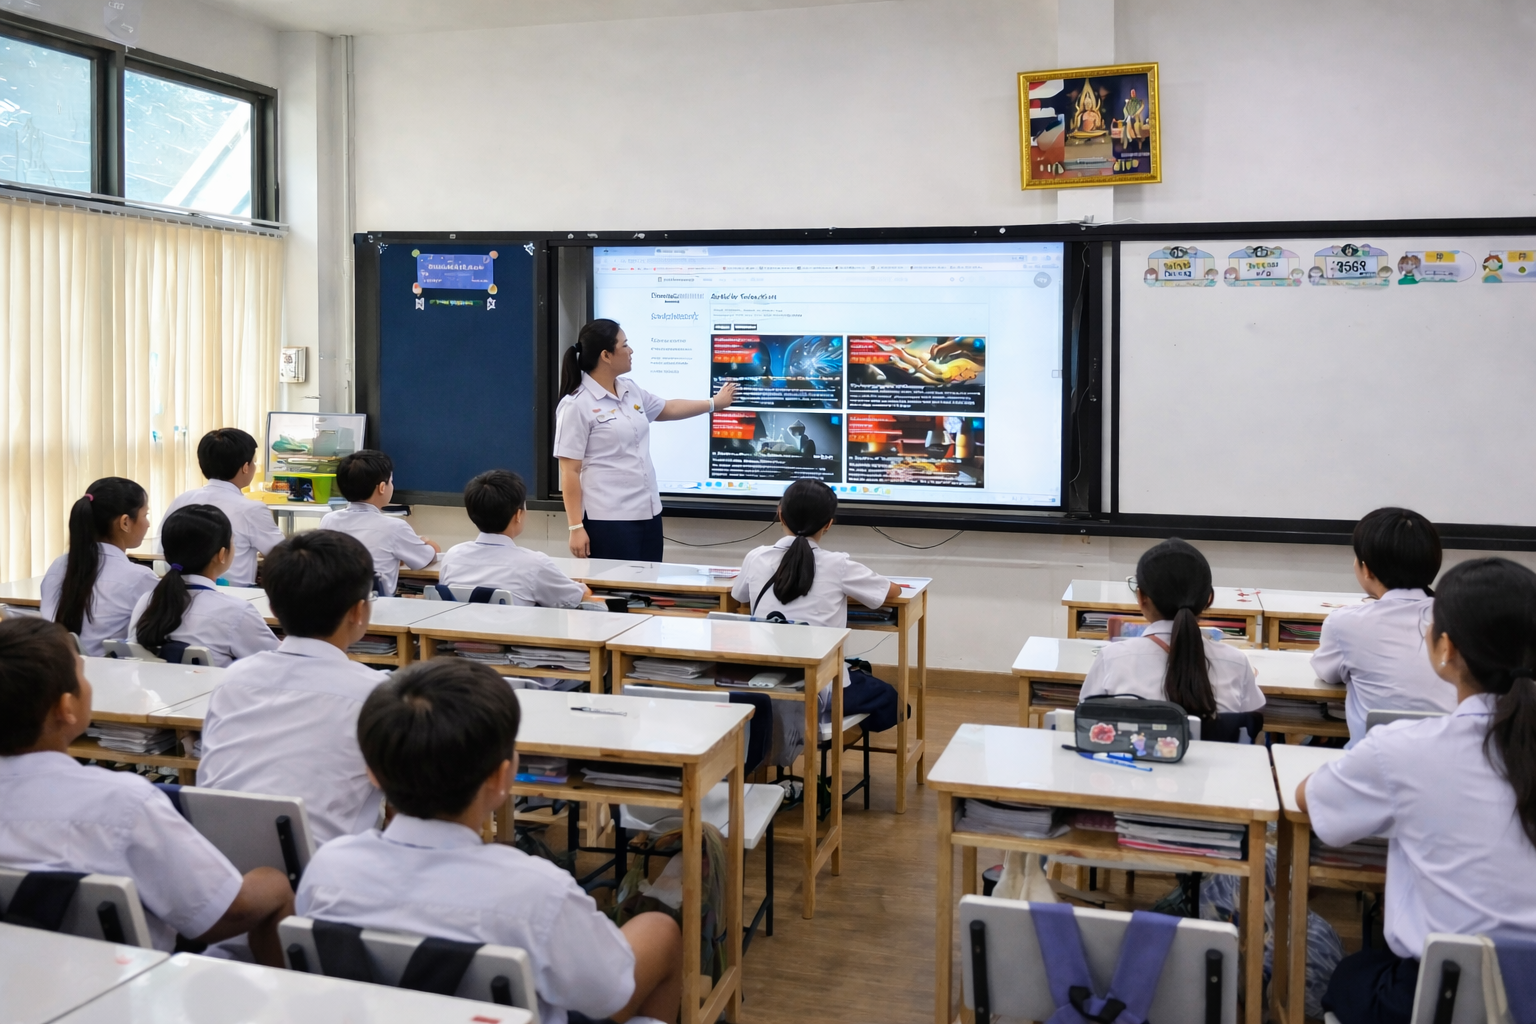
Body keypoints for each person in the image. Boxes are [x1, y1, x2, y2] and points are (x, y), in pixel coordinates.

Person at [295, 659, 683, 1024]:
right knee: (659, 931)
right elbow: (607, 997)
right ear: (501, 779)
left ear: (372, 774)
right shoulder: (537, 894)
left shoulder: (328, 868)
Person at [1300, 557, 1536, 1024]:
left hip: (1440, 994)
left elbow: (1312, 799)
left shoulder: (1404, 750)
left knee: (1350, 974)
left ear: (1444, 648)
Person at [0, 618, 293, 963]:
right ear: (66, 708)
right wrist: (274, 881)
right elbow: (223, 915)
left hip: (20, 987)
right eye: (82, 671)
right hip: (120, 993)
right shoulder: (122, 805)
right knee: (270, 886)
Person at [196, 531, 384, 846]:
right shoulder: (375, 695)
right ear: (359, 611)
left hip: (219, 859)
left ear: (271, 605)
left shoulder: (232, 679)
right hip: (322, 873)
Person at [554, 319, 738, 562]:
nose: (631, 351)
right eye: (625, 345)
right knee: (617, 595)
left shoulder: (630, 389)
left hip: (648, 513)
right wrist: (575, 527)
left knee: (648, 594)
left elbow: (667, 408)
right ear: (606, 355)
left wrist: (714, 404)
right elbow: (569, 471)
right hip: (608, 520)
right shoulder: (576, 404)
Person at [731, 479, 902, 731]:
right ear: (828, 523)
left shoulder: (756, 556)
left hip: (763, 683)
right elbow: (892, 591)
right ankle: (835, 741)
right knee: (892, 699)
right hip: (823, 688)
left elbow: (740, 596)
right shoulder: (839, 565)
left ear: (780, 514)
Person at [1311, 507, 1455, 746]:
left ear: (1366, 569)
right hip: (1450, 757)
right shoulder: (1460, 618)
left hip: (1373, 762)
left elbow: (1327, 673)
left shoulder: (1345, 623)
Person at [1081, 538, 1265, 721]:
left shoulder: (1111, 659)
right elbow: (1251, 724)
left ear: (1141, 597)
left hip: (1138, 750)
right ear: (1208, 599)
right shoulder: (1237, 663)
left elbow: (1087, 719)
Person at [127, 505, 278, 667]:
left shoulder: (147, 602)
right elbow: (278, 663)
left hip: (156, 690)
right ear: (221, 555)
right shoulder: (236, 613)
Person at [40, 477, 158, 657]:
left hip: (57, 672)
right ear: (125, 522)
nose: (148, 523)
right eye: (145, 515)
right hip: (107, 678)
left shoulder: (60, 565)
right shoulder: (139, 578)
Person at [439, 470, 589, 607]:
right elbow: (576, 598)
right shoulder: (534, 565)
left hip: (457, 636)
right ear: (518, 515)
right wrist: (584, 589)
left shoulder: (452, 557)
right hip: (514, 636)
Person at [164, 428, 286, 587]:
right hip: (238, 595)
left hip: (179, 591)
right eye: (253, 462)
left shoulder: (182, 500)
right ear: (245, 467)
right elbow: (284, 556)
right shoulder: (251, 509)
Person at [318, 449, 440, 596]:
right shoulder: (395, 527)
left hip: (336, 606)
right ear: (382, 488)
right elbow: (425, 558)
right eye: (391, 482)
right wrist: (426, 541)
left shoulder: (329, 520)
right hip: (377, 607)